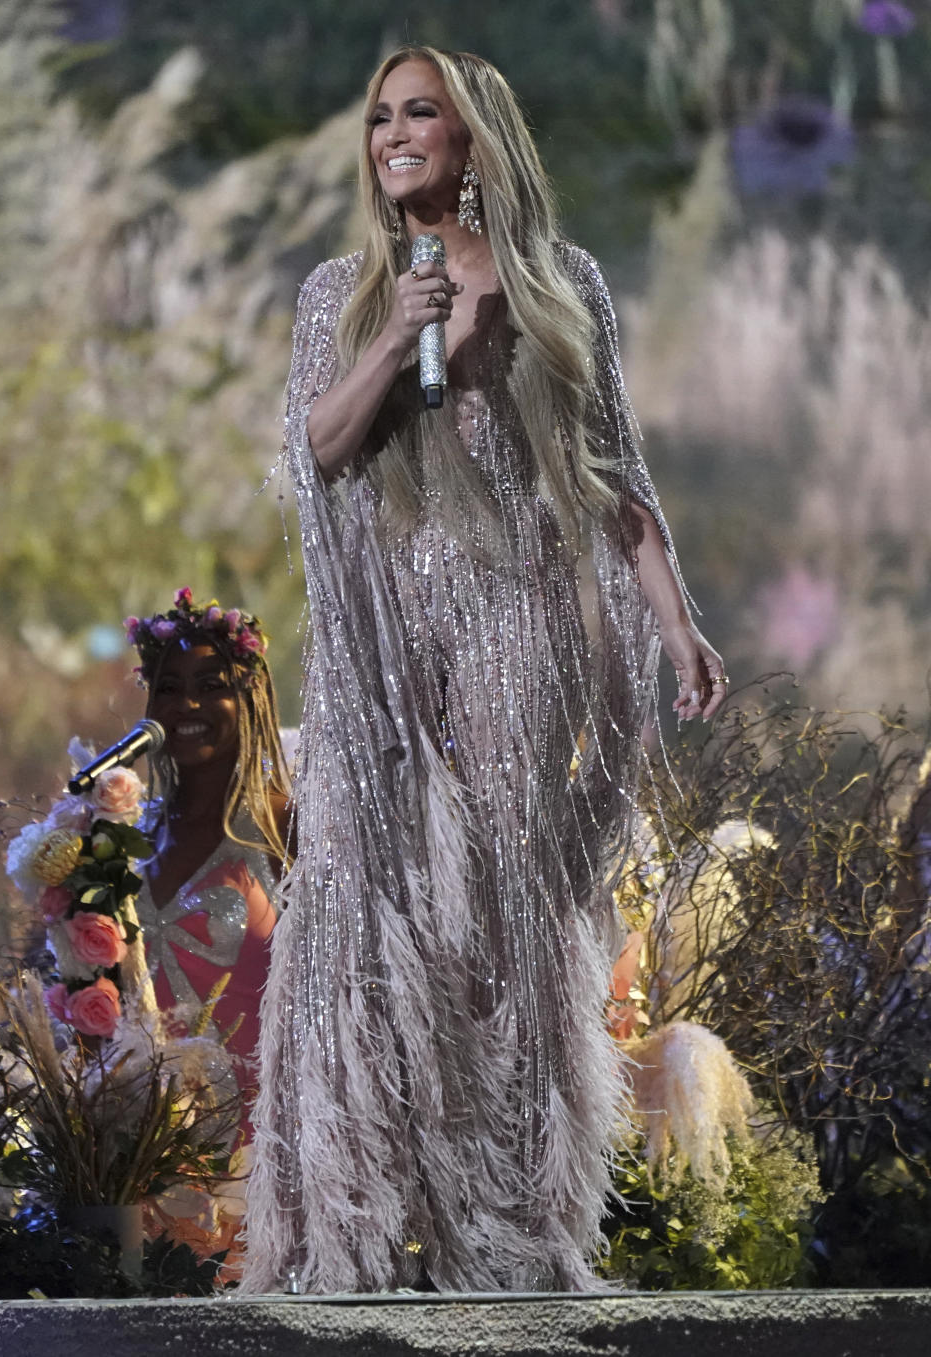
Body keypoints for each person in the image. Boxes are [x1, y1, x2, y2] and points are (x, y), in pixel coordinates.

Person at [242, 46, 727, 1294]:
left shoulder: (564, 288)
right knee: (365, 893)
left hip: (520, 623)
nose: (395, 135)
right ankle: (352, 1216)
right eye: (381, 117)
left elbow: (615, 476)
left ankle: (513, 1221)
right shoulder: (342, 294)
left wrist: (677, 625)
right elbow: (319, 452)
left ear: (475, 141)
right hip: (383, 649)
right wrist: (397, 333)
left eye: (422, 115)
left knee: (507, 907)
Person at [124, 589, 294, 1257]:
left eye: (211, 686)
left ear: (248, 697)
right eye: (169, 687)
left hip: (255, 1169)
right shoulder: (129, 836)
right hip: (137, 1159)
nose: (186, 705)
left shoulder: (287, 828)